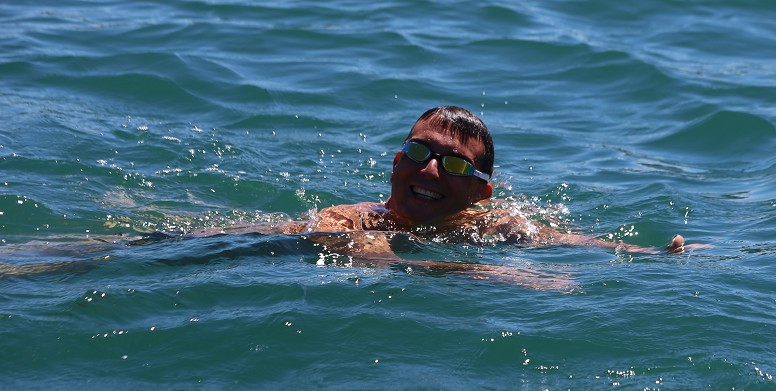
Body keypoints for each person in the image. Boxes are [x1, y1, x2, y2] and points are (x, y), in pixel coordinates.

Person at [278, 105, 689, 254]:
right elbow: (373, 258)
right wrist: (487, 277)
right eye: (420, 152)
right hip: (263, 247)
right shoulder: (348, 219)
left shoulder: (493, 224)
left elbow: (578, 244)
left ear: (481, 192)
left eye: (455, 164)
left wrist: (654, 254)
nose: (430, 169)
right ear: (397, 162)